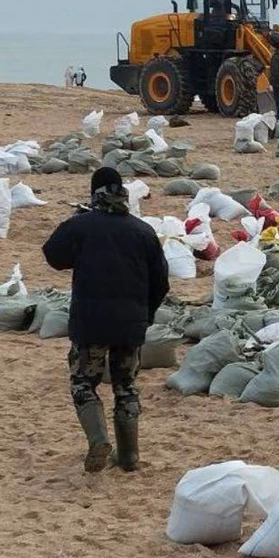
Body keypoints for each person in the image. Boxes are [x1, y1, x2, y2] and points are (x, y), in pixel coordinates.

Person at [42, 168, 170, 473]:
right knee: (126, 385)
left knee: (84, 383)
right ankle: (129, 456)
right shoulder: (142, 231)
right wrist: (145, 316)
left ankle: (98, 440)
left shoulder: (81, 226)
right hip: (130, 326)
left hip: (91, 324)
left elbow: (53, 255)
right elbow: (162, 282)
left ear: (94, 194)